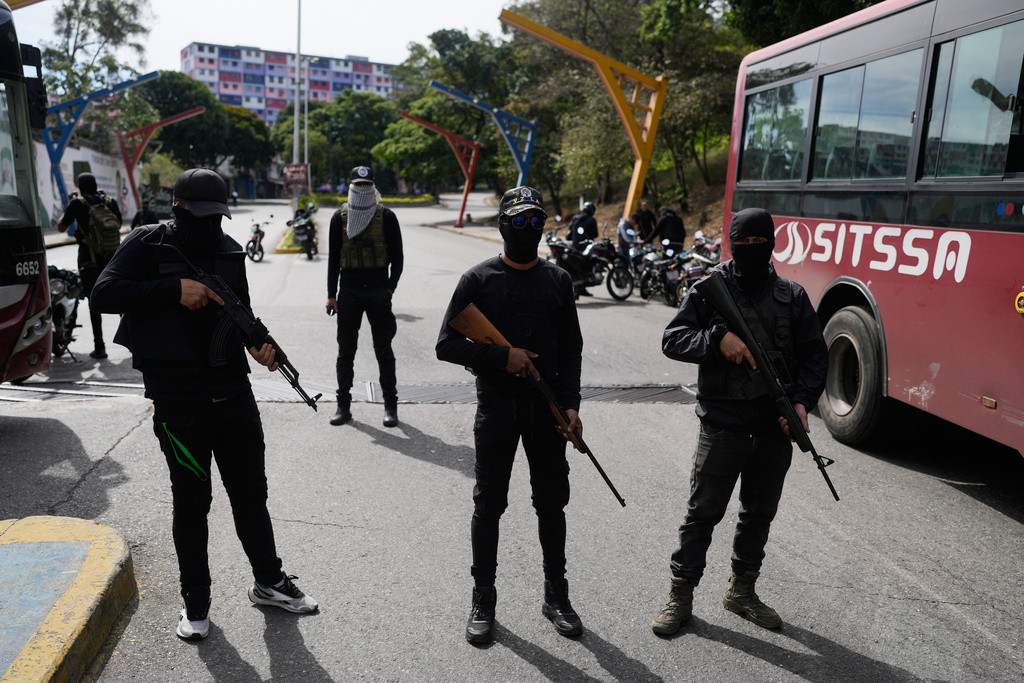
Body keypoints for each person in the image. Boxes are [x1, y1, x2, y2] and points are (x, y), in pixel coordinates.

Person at [91, 168, 319, 642]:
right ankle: (195, 601)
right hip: (179, 405)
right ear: (179, 207)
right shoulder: (147, 243)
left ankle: (269, 581)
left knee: (251, 497)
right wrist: (174, 290)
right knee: (192, 504)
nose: (212, 225)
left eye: (219, 216)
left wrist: (257, 346)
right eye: (204, 215)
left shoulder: (229, 250)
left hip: (234, 397)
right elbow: (103, 294)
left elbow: (237, 314)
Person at [650, 207, 828, 636]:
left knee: (758, 514)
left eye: (759, 243)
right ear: (731, 244)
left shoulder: (793, 296)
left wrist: (801, 402)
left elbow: (815, 357)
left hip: (772, 428)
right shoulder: (709, 289)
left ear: (771, 243)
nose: (751, 250)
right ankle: (680, 594)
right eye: (743, 243)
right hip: (723, 425)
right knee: (701, 515)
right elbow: (673, 339)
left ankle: (741, 591)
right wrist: (716, 339)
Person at [436, 186, 586, 645]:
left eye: (536, 220)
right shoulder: (478, 280)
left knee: (551, 503)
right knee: (488, 505)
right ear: (503, 224)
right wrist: (504, 358)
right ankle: (483, 599)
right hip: (498, 407)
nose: (529, 228)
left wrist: (572, 406)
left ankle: (556, 596)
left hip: (547, 409)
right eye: (519, 220)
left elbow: (572, 350)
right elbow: (446, 344)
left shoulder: (558, 281)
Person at [325, 166, 404, 428]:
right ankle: (343, 407)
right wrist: (330, 295)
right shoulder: (339, 218)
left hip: (378, 291)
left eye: (365, 185)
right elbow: (334, 259)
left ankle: (390, 408)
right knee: (345, 352)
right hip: (348, 291)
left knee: (384, 351)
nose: (361, 190)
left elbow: (398, 258)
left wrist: (389, 289)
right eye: (356, 185)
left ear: (372, 187)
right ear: (351, 187)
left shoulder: (387, 217)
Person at [57, 172, 122, 359]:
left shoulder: (77, 204)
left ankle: (100, 347)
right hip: (113, 259)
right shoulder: (109, 202)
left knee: (95, 303)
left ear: (79, 187)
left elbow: (61, 227)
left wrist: (69, 204)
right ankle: (133, 343)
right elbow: (117, 221)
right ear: (95, 185)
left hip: (89, 260)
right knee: (120, 300)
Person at [568, 201, 598, 295]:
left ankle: (581, 289)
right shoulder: (591, 220)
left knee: (578, 267)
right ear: (592, 210)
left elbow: (570, 228)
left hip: (575, 246)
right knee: (588, 266)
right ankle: (583, 287)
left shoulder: (575, 217)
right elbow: (595, 234)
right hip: (586, 247)